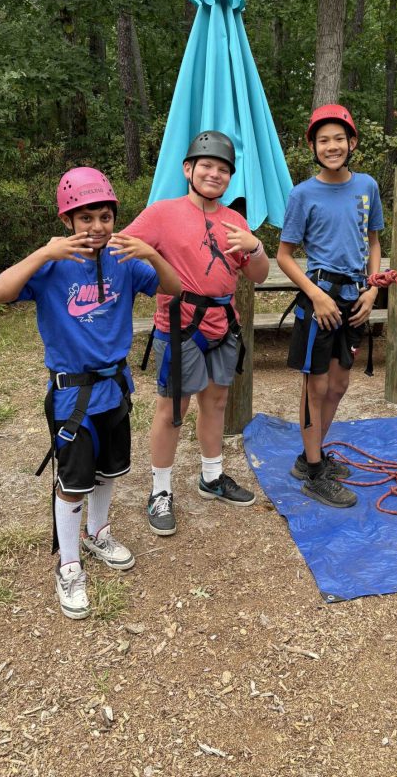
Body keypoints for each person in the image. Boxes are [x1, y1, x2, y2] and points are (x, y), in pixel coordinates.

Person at [0, 167, 181, 619]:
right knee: (73, 482)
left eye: (105, 216)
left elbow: (174, 289)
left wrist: (151, 253)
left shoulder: (125, 259)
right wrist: (42, 253)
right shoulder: (51, 264)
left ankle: (98, 533)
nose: (97, 227)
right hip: (72, 396)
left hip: (115, 388)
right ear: (67, 221)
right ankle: (69, 563)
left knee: (111, 470)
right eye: (86, 218)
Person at [117, 130, 269, 536]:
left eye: (223, 169)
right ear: (189, 169)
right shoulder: (162, 214)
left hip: (224, 323)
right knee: (172, 409)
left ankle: (212, 476)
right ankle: (161, 491)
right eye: (207, 166)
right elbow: (123, 247)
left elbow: (257, 274)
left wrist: (255, 246)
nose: (214, 174)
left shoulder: (235, 220)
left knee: (216, 401)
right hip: (181, 326)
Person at [276, 104, 384, 508]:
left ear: (352, 142)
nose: (332, 146)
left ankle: (310, 458)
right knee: (316, 385)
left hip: (356, 298)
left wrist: (372, 290)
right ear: (313, 146)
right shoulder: (303, 194)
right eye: (324, 140)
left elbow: (373, 242)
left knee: (339, 384)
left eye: (340, 138)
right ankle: (316, 472)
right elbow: (285, 254)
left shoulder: (367, 186)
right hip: (319, 298)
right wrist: (317, 295)